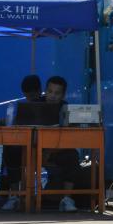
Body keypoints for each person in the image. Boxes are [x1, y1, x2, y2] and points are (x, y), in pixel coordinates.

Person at [0, 74, 42, 211]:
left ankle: (8, 194)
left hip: (41, 148)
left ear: (39, 91)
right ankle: (11, 195)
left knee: (10, 152)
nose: (31, 98)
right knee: (9, 150)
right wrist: (7, 122)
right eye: (28, 95)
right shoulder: (23, 108)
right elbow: (17, 123)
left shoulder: (46, 104)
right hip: (24, 147)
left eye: (33, 94)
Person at [41, 75, 82, 212]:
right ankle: (16, 197)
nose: (52, 96)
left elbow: (70, 138)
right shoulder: (35, 105)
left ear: (63, 95)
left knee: (72, 155)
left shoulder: (66, 109)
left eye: (57, 93)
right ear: (45, 91)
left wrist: (50, 152)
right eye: (50, 91)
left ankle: (67, 199)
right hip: (34, 150)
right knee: (14, 152)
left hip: (56, 152)